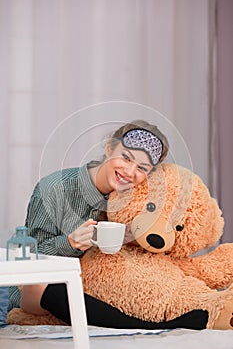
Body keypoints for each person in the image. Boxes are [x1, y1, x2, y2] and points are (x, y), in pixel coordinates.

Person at [8, 119, 208, 329]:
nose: (130, 172)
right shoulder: (54, 189)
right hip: (38, 292)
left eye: (142, 168)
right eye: (125, 157)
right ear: (109, 148)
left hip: (96, 288)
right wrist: (70, 243)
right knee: (46, 287)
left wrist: (134, 239)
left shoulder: (136, 197)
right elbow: (29, 261)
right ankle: (145, 327)